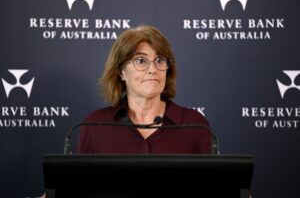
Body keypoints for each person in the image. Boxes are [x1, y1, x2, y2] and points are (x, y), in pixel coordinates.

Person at [77, 25, 213, 154]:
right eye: (141, 61)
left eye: (159, 60)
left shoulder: (195, 125)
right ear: (120, 72)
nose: (153, 70)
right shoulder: (95, 126)